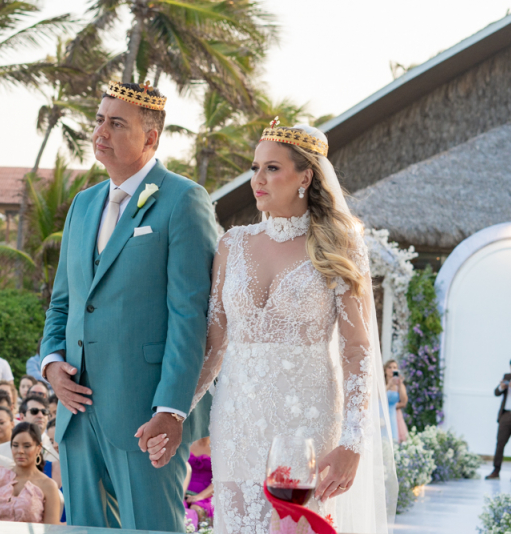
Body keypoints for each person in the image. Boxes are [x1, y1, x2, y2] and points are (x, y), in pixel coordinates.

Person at [173, 123, 397, 534]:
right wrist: (174, 411)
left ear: (305, 176)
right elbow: (214, 344)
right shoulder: (232, 244)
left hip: (306, 426)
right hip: (236, 421)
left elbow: (358, 349)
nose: (257, 179)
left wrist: (351, 442)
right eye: (255, 167)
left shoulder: (339, 245)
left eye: (272, 168)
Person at [39, 80, 216, 531]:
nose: (101, 131)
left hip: (145, 415)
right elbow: (63, 302)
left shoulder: (183, 199)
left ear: (151, 137)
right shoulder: (83, 204)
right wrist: (52, 364)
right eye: (99, 119)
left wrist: (172, 409)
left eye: (117, 123)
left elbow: (189, 315)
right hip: (76, 415)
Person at [0, 422, 61, 523]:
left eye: (27, 446)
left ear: (38, 448)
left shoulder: (48, 485)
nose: (20, 451)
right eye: (15, 445)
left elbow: (51, 530)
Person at [184, 437, 213, 528]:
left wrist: (199, 497)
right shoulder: (187, 444)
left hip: (207, 495)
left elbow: (219, 481)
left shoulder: (218, 447)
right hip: (185, 492)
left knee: (196, 508)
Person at [384, 360, 408, 443]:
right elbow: (377, 398)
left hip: (395, 415)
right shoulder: (381, 384)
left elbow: (403, 401)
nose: (392, 370)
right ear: (385, 370)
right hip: (381, 415)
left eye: (394, 367)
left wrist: (400, 385)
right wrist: (389, 385)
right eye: (389, 367)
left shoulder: (399, 385)